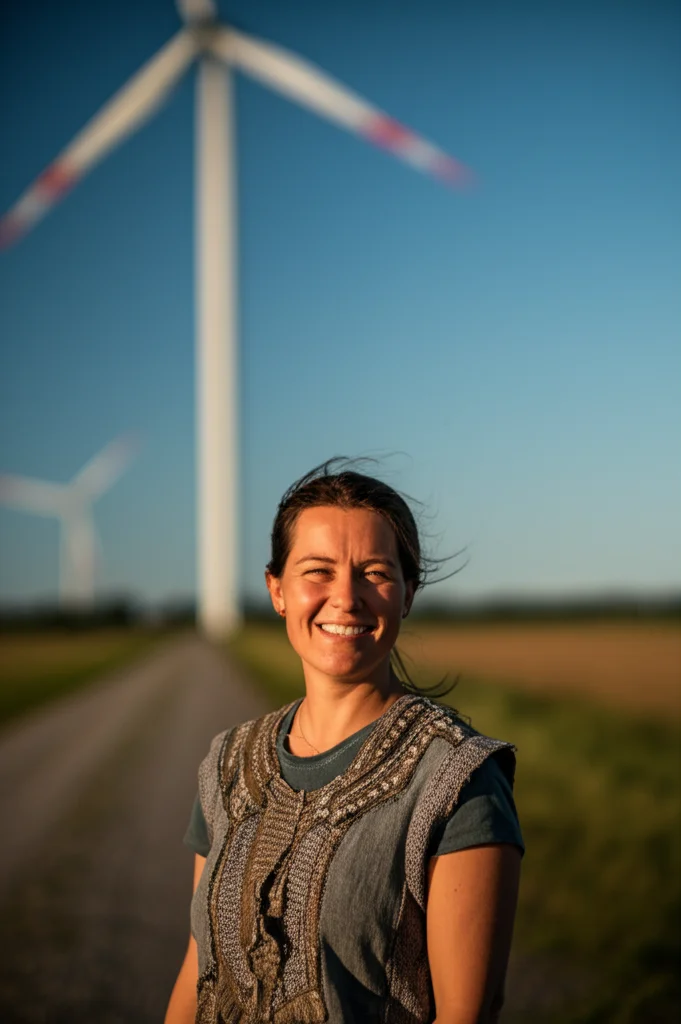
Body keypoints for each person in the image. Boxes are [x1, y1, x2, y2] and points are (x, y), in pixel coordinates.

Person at [165, 461, 523, 1024]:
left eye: (374, 573)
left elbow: (466, 1014)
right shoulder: (228, 763)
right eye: (318, 571)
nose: (346, 597)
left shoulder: (458, 780)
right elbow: (197, 967)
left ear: (407, 594)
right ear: (276, 590)